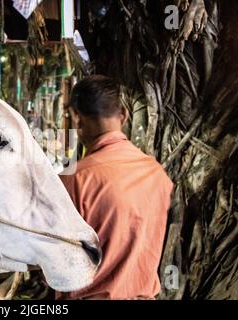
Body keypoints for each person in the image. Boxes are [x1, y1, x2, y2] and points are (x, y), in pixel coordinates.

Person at [57, 75, 173, 300]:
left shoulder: (75, 179)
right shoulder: (158, 175)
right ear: (124, 114)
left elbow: (58, 260)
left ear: (77, 119)